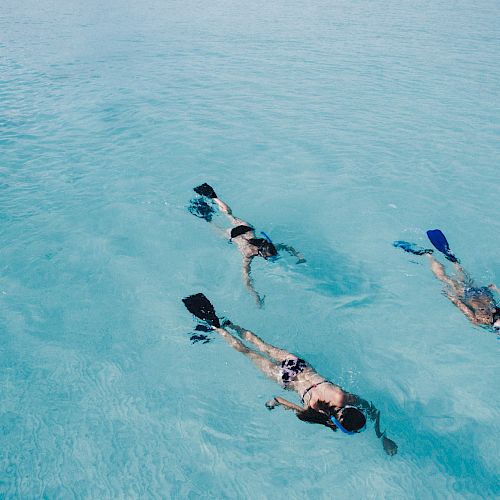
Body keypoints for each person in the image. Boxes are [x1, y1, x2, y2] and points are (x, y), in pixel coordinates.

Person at [182, 293, 398, 456]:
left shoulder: (342, 397)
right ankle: (218, 329)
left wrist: (381, 433)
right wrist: (272, 403)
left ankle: (229, 323)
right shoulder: (317, 413)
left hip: (299, 365)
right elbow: (280, 401)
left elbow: (371, 409)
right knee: (246, 352)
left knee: (260, 344)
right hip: (285, 379)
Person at [189, 183, 306, 306]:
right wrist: (255, 295)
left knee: (229, 215)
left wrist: (299, 256)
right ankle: (206, 218)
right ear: (260, 253)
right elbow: (246, 277)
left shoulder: (266, 244)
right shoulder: (248, 254)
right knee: (215, 227)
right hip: (233, 236)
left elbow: (286, 247)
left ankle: (213, 197)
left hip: (246, 228)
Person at [394, 230, 500, 331]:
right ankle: (428, 255)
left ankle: (453, 260)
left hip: (481, 292)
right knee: (444, 278)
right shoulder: (477, 321)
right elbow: (461, 306)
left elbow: (464, 307)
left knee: (462, 275)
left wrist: (495, 289)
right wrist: (452, 298)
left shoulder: (489, 315)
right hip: (467, 294)